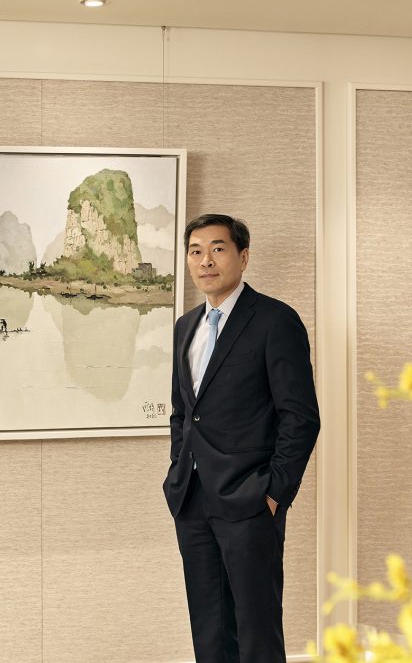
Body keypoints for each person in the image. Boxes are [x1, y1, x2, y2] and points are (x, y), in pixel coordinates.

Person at [164, 214, 320, 663]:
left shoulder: (275, 320)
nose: (205, 261)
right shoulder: (185, 327)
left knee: (256, 631)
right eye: (195, 251)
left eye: (217, 248)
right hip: (192, 499)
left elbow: (301, 417)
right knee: (209, 629)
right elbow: (183, 412)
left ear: (243, 256)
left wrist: (274, 493)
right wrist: (178, 470)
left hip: (251, 500)